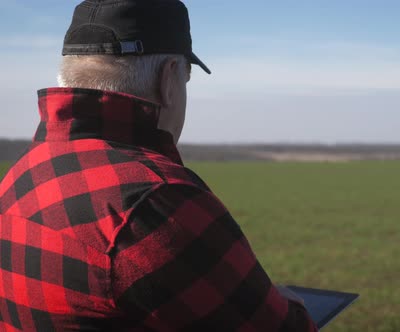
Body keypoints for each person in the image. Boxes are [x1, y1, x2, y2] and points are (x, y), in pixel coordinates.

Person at [0, 1, 318, 331]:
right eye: (186, 78)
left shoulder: (19, 174)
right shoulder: (157, 203)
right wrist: (286, 303)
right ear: (169, 78)